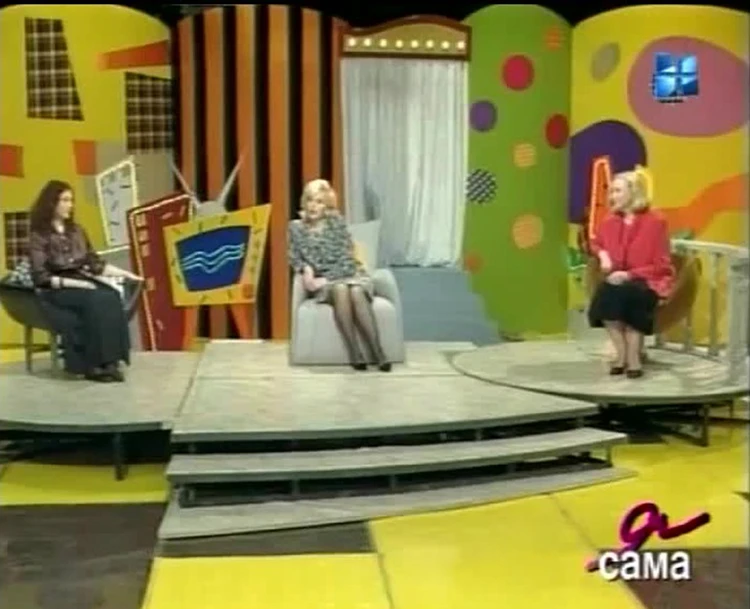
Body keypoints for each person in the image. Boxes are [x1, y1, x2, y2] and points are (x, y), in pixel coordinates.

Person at [28, 180, 142, 382]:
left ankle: (110, 362)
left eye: (71, 200)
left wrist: (127, 274)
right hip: (57, 288)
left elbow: (94, 263)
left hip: (81, 281)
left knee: (111, 296)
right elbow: (41, 276)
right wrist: (79, 284)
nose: (70, 205)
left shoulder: (77, 231)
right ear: (51, 203)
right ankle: (93, 366)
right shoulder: (39, 235)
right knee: (97, 300)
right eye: (65, 200)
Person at [288, 179, 391, 371]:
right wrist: (306, 270)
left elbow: (347, 261)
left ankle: (378, 352)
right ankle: (355, 352)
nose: (313, 206)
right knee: (341, 289)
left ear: (327, 205)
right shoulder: (296, 227)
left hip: (350, 274)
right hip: (329, 284)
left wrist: (325, 279)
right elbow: (295, 257)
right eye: (310, 200)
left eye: (319, 201)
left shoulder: (336, 223)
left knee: (356, 292)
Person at [588, 168, 675, 378]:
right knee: (606, 296)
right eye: (611, 191)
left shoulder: (655, 221)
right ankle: (622, 355)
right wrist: (603, 255)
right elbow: (596, 243)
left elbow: (661, 265)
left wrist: (629, 275)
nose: (612, 196)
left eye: (617, 191)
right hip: (617, 279)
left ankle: (633, 358)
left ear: (633, 192)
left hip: (648, 278)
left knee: (630, 296)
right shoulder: (609, 221)